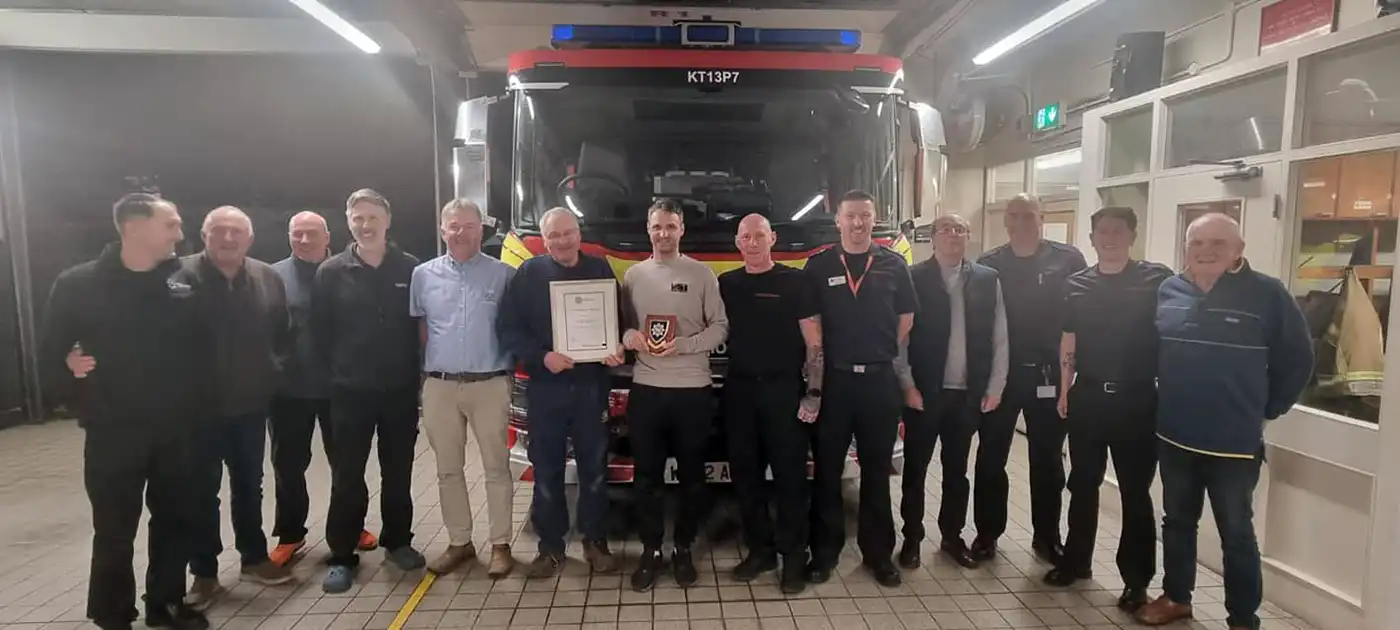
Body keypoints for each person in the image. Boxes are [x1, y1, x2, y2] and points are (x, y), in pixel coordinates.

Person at [40, 193, 210, 630]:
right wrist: (69, 370)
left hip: (178, 428)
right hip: (113, 430)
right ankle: (112, 612)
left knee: (174, 519)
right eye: (170, 224)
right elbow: (49, 354)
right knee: (115, 527)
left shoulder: (186, 280)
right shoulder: (78, 284)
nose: (179, 232)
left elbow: (206, 347)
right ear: (134, 227)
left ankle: (165, 603)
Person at [1136, 213, 1313, 630]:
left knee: (1236, 534)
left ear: (1239, 249)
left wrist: (1267, 409)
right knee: (1177, 523)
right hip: (1175, 435)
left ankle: (1242, 617)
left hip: (1233, 443)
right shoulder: (1169, 290)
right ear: (1186, 248)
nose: (1206, 251)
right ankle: (1177, 597)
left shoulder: (1267, 294)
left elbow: (1299, 360)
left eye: (1218, 243)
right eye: (1197, 243)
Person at [1046, 207, 1172, 613]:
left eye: (1118, 230)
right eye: (1102, 231)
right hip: (1089, 399)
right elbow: (1069, 341)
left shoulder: (1157, 280)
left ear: (1133, 235)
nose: (1110, 237)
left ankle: (1136, 581)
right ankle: (1076, 560)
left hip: (1138, 401)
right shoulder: (1075, 285)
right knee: (1082, 484)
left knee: (1136, 493)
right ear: (1092, 236)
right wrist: (1065, 390)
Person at [497, 207, 625, 579]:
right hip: (546, 388)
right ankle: (549, 546)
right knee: (548, 470)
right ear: (544, 238)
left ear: (579, 233)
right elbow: (508, 330)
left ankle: (595, 541)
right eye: (553, 236)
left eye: (568, 233)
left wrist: (616, 347)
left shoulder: (600, 269)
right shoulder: (529, 274)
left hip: (590, 388)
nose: (562, 241)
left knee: (594, 471)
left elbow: (617, 320)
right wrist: (542, 357)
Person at [178, 207, 295, 609]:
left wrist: (271, 372)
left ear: (249, 238)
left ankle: (254, 558)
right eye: (219, 231)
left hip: (249, 406)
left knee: (249, 484)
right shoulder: (178, 277)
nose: (227, 238)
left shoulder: (266, 277)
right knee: (201, 492)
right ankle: (205, 573)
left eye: (236, 232)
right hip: (197, 410)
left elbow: (282, 332)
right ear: (204, 235)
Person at [313, 189, 425, 593]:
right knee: (347, 476)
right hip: (349, 395)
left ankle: (398, 542)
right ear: (348, 222)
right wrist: (338, 376)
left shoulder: (410, 269)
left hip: (398, 392)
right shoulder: (330, 272)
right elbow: (319, 333)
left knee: (399, 472)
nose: (365, 225)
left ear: (387, 221)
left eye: (372, 217)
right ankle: (342, 554)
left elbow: (420, 330)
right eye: (357, 218)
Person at [803, 190, 917, 588]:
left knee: (875, 471)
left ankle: (878, 554)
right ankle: (824, 553)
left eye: (865, 216)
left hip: (879, 383)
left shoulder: (894, 264)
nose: (857, 223)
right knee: (828, 472)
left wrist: (878, 352)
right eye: (850, 216)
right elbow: (810, 322)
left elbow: (905, 321)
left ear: (874, 218)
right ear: (838, 221)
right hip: (834, 382)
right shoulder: (817, 266)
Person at [620, 199, 729, 592]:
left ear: (682, 229)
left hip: (692, 393)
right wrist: (631, 337)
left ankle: (683, 548)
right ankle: (651, 551)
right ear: (647, 230)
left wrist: (682, 345)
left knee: (692, 479)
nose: (663, 234)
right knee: (646, 478)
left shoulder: (701, 274)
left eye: (670, 226)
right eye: (656, 227)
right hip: (647, 390)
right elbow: (623, 329)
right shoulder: (633, 275)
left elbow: (719, 329)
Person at [975, 193, 1086, 564]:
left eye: (1029, 215)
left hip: (1049, 377)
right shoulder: (989, 264)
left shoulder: (1068, 260)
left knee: (1049, 463)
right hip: (1001, 377)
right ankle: (987, 535)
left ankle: (1047, 537)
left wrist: (1072, 376)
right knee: (991, 459)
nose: (1021, 222)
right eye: (1014, 216)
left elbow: (1079, 320)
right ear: (1005, 221)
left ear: (1042, 218)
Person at [409, 199, 517, 578]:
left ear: (480, 229)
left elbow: (515, 327)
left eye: (468, 226)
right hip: (439, 385)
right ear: (442, 230)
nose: (460, 233)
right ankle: (460, 543)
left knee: (496, 468)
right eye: (453, 226)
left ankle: (500, 544)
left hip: (489, 383)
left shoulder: (504, 275)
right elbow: (422, 332)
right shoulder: (422, 275)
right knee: (447, 470)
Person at [268, 211, 379, 567]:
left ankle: (352, 526)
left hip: (339, 388)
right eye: (296, 234)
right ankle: (290, 534)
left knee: (347, 465)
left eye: (311, 234)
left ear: (327, 235)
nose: (303, 240)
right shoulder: (273, 276)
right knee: (288, 465)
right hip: (289, 390)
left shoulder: (343, 272)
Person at [897, 214, 1008, 570]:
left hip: (968, 395)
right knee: (915, 470)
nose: (953, 236)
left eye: (959, 229)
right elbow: (900, 338)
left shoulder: (988, 280)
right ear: (932, 238)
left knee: (956, 472)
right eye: (945, 230)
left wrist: (996, 386)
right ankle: (912, 537)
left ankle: (951, 536)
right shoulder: (914, 278)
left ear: (968, 236)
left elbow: (1000, 337)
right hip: (924, 393)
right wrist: (907, 384)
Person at [717, 214, 820, 594]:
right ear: (738, 242)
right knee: (745, 477)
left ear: (772, 238)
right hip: (739, 392)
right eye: (746, 237)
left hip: (784, 391)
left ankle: (794, 556)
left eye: (760, 235)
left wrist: (814, 393)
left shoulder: (795, 281)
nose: (754, 242)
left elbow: (814, 341)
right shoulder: (727, 283)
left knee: (791, 478)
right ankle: (760, 549)